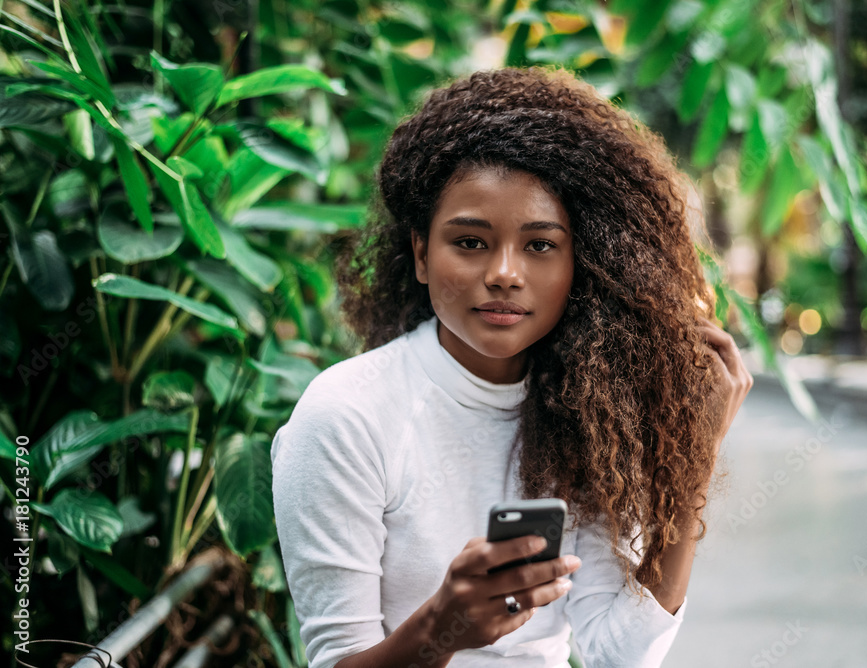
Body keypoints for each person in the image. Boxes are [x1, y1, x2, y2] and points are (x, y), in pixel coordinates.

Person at [270, 65, 753, 668]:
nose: (504, 272)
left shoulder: (588, 414)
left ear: (583, 264)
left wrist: (693, 465)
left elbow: (619, 655)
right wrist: (440, 629)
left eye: (540, 245)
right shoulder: (346, 416)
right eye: (470, 242)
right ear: (421, 254)